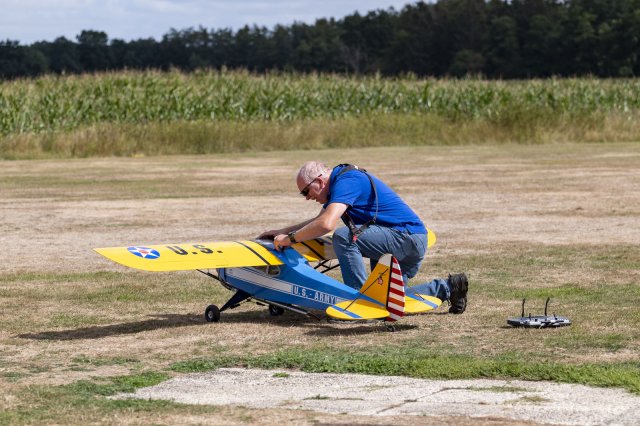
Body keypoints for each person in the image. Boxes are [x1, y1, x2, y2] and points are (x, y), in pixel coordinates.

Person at [258, 161, 469, 314]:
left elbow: (326, 224)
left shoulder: (346, 181)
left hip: (403, 237)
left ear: (320, 181)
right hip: (409, 239)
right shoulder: (341, 183)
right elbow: (319, 220)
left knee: (343, 236)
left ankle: (358, 301)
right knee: (386, 299)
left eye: (306, 192)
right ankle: (449, 287)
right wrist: (281, 231)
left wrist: (289, 240)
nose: (307, 198)